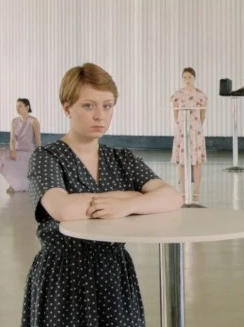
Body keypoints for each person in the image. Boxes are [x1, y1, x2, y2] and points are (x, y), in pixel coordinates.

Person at [21, 63, 183, 327]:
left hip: (114, 275)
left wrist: (124, 206)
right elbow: (63, 208)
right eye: (89, 106)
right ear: (67, 107)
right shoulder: (47, 157)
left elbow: (172, 197)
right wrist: (131, 197)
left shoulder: (121, 158)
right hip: (63, 277)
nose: (100, 116)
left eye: (107, 106)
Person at [0, 98, 41, 195]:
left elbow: (38, 141)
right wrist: (12, 150)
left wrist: (39, 156)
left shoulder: (33, 121)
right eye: (16, 106)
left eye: (20, 106)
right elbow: (12, 139)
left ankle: (13, 184)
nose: (17, 109)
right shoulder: (14, 121)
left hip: (28, 153)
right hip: (16, 152)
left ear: (27, 107)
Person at [171, 67, 208, 201]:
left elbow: (203, 114)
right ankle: (182, 192)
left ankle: (196, 192)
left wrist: (196, 126)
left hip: (195, 131)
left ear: (194, 78)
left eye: (190, 77)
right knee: (181, 162)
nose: (187, 80)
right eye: (185, 77)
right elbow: (175, 113)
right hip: (182, 131)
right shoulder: (177, 94)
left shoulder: (200, 95)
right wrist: (181, 125)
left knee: (197, 162)